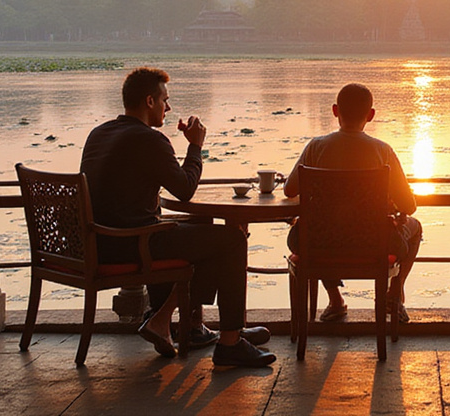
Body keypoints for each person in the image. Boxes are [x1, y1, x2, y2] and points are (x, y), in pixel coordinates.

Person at [80, 67, 275, 368]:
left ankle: (188, 325)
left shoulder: (99, 133)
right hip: (133, 245)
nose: (168, 108)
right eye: (165, 101)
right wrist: (195, 146)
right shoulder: (149, 140)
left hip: (100, 241)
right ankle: (230, 341)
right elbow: (184, 190)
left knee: (202, 226)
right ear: (149, 101)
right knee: (232, 240)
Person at [283, 83, 423, 323]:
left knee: (315, 231)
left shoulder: (316, 147)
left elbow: (289, 189)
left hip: (320, 241)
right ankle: (393, 294)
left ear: (335, 111)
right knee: (415, 227)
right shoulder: (383, 151)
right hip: (373, 243)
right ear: (370, 115)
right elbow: (408, 206)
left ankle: (335, 299)